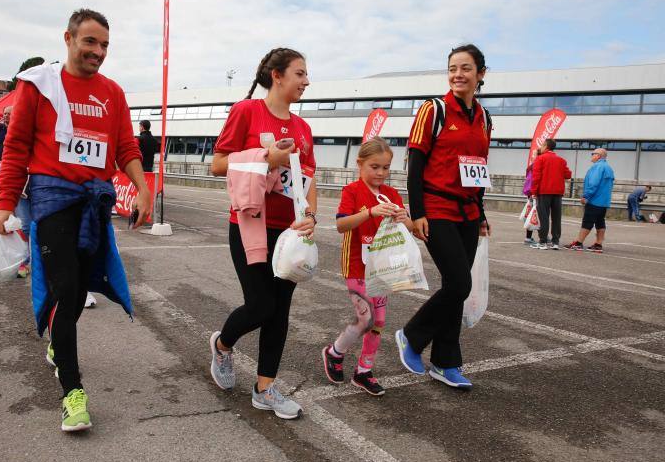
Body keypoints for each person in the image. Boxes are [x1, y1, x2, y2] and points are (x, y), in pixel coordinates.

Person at [0, 8, 151, 432]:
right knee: (65, 290)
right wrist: (5, 202)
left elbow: (125, 148)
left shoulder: (112, 93)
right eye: (90, 42)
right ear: (68, 38)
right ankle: (72, 393)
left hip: (94, 204)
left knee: (79, 291)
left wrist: (144, 189)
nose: (97, 52)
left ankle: (58, 349)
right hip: (53, 202)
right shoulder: (39, 87)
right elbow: (17, 148)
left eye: (104, 46)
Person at [208, 47, 316, 419]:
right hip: (249, 225)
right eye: (300, 73)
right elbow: (218, 165)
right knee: (260, 305)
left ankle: (265, 388)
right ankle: (222, 346)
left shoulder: (303, 128)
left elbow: (309, 178)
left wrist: (311, 215)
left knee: (280, 311)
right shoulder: (246, 111)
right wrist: (265, 157)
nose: (306, 81)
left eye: (306, 74)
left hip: (289, 234)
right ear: (277, 76)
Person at [396, 44, 492, 390]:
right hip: (436, 208)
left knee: (456, 289)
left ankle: (445, 362)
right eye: (453, 68)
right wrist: (417, 212)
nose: (458, 74)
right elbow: (416, 163)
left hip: (467, 211)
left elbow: (478, 168)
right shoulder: (433, 109)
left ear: (481, 74)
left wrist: (480, 212)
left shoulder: (484, 117)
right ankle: (411, 335)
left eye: (466, 68)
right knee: (458, 283)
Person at [321, 137, 413, 396]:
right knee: (366, 318)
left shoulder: (392, 194)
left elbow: (411, 229)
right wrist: (370, 212)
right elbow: (341, 225)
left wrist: (405, 219)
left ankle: (364, 371)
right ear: (360, 164)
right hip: (356, 266)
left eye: (386, 168)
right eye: (375, 167)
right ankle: (335, 352)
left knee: (379, 321)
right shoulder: (351, 191)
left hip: (382, 267)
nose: (381, 173)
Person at [565, 148, 614, 253]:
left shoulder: (597, 167)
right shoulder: (608, 168)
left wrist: (586, 196)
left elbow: (593, 183)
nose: (592, 155)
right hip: (604, 201)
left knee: (587, 221)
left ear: (599, 156)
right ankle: (598, 244)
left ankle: (578, 243)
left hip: (594, 200)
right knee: (600, 222)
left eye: (593, 154)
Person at [530, 139, 571, 250]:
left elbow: (536, 177)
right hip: (558, 192)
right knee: (556, 217)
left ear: (545, 146)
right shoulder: (561, 160)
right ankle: (555, 242)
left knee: (543, 217)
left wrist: (533, 191)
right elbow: (568, 174)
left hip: (544, 191)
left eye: (542, 145)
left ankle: (543, 242)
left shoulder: (540, 159)